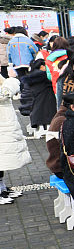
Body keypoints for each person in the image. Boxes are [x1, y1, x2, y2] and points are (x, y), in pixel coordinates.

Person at [0, 76, 33, 205]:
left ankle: (2, 188)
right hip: (3, 124)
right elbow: (4, 93)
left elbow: (12, 82)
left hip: (5, 124)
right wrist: (8, 86)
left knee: (3, 160)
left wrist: (9, 84)